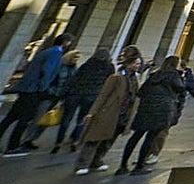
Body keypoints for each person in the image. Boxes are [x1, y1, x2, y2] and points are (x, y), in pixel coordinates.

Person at [1, 32, 74, 156]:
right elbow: (47, 70)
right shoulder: (56, 53)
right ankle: (12, 147)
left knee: (11, 117)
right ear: (65, 42)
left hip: (26, 88)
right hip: (34, 90)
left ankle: (9, 144)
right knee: (24, 119)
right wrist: (44, 88)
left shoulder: (46, 51)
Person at [75, 46, 141, 175]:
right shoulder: (116, 77)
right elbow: (103, 95)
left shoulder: (135, 78)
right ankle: (82, 163)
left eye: (138, 64)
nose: (138, 66)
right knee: (94, 137)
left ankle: (97, 161)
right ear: (129, 64)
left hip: (123, 113)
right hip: (109, 111)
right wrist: (92, 112)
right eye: (136, 63)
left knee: (109, 139)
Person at [118, 55, 185, 175]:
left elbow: (141, 92)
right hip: (162, 111)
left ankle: (123, 165)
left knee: (136, 136)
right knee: (150, 138)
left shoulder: (154, 75)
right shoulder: (174, 76)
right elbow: (181, 90)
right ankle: (139, 165)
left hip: (146, 109)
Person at [145, 61, 194, 165]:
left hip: (171, 108)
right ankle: (146, 155)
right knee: (153, 133)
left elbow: (191, 87)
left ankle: (153, 154)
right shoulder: (163, 75)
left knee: (161, 132)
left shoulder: (184, 75)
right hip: (161, 107)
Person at [54, 47, 114, 153]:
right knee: (81, 119)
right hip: (91, 95)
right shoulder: (109, 67)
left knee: (66, 118)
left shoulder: (87, 64)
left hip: (75, 93)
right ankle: (75, 141)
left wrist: (64, 94)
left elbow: (74, 79)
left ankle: (58, 142)